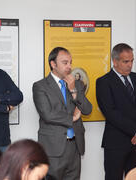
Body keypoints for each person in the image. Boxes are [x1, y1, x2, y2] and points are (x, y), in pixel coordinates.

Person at [96, 43, 136, 180]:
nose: (130, 65)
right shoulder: (103, 82)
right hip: (116, 143)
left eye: (132, 61)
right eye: (126, 61)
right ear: (115, 62)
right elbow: (111, 113)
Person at [32, 47, 92, 180]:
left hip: (75, 146)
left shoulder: (76, 84)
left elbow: (88, 110)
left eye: (70, 62)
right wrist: (73, 117)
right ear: (53, 64)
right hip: (53, 148)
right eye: (65, 63)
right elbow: (47, 114)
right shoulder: (40, 86)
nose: (69, 66)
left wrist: (74, 91)